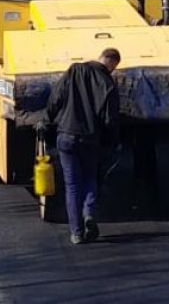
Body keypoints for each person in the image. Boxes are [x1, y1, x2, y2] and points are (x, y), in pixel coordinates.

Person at [42, 48, 121, 244]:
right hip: (90, 138)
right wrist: (112, 141)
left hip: (66, 136)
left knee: (72, 185)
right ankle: (89, 214)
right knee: (90, 178)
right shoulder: (108, 83)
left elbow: (56, 97)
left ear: (100, 57)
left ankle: (76, 233)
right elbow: (110, 118)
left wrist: (46, 119)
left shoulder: (75, 70)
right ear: (112, 63)